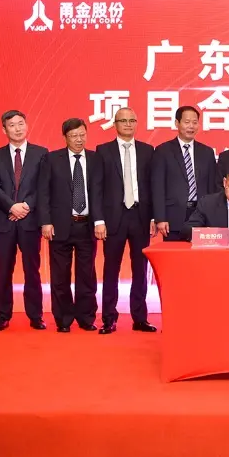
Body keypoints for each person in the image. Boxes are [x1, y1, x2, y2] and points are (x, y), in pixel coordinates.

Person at [92, 108, 157, 335]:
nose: (128, 124)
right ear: (115, 124)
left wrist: (154, 217)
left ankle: (140, 318)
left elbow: (152, 187)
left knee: (141, 270)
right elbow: (96, 189)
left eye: (132, 120)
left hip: (140, 217)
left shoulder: (148, 151)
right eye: (123, 121)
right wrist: (98, 220)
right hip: (113, 218)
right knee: (111, 269)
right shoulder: (103, 151)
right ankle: (109, 318)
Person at [0, 110, 48, 331]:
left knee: (32, 269)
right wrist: (11, 206)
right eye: (12, 125)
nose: (17, 128)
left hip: (30, 221)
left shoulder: (41, 153)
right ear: (4, 130)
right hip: (4, 221)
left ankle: (35, 315)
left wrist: (26, 206)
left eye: (21, 123)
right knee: (4, 270)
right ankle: (3, 315)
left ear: (27, 125)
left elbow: (43, 185)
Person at [38, 118, 101, 333]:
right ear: (65, 137)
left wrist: (100, 221)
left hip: (86, 226)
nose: (79, 140)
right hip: (59, 226)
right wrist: (45, 222)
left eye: (82, 135)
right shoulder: (52, 159)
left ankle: (86, 317)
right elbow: (43, 193)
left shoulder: (95, 159)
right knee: (60, 276)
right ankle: (63, 319)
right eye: (74, 136)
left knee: (87, 275)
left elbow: (100, 193)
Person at [152, 106, 218, 240]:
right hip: (173, 217)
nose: (191, 126)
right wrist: (160, 217)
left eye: (195, 122)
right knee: (174, 253)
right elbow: (157, 187)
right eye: (187, 122)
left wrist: (213, 215)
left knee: (201, 253)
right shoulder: (163, 151)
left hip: (201, 215)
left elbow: (212, 187)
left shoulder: (207, 152)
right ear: (177, 123)